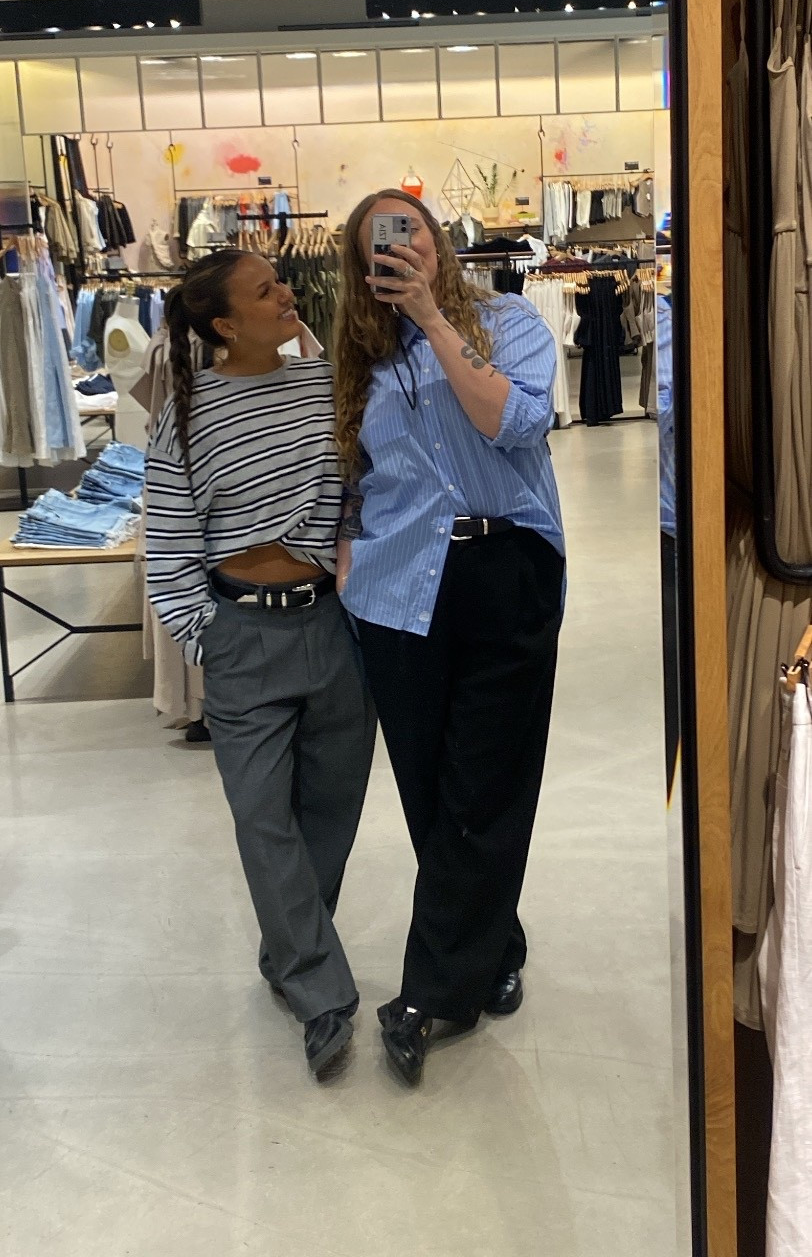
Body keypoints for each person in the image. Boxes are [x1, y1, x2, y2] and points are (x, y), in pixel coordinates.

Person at [335, 190, 565, 1085]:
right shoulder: (359, 359)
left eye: (414, 234)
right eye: (383, 244)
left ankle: (431, 994)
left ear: (439, 243)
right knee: (431, 787)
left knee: (487, 781)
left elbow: (516, 422)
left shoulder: (509, 325)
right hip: (396, 589)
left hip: (505, 571)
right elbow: (350, 472)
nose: (405, 250)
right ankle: (492, 940)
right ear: (362, 267)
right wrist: (347, 556)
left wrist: (433, 319)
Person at [145, 249, 376, 1077]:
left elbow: (360, 494)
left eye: (281, 280)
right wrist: (209, 638)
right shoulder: (184, 415)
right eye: (265, 289)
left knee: (332, 809)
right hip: (243, 632)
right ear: (224, 323)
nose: (287, 293)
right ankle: (321, 990)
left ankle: (290, 952)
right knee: (260, 816)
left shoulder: (326, 386)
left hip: (333, 628)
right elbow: (168, 544)